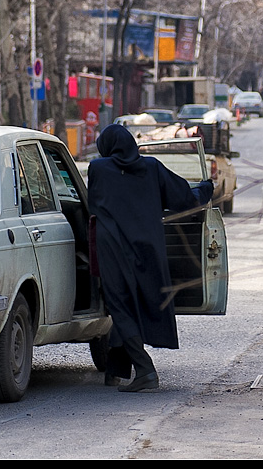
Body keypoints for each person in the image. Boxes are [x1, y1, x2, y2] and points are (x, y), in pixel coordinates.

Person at [88, 124, 213, 392]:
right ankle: (117, 369)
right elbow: (183, 198)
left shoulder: (98, 169)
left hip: (112, 247)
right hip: (147, 248)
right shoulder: (152, 168)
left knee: (120, 306)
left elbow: (91, 204)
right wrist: (204, 189)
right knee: (136, 303)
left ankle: (145, 370)